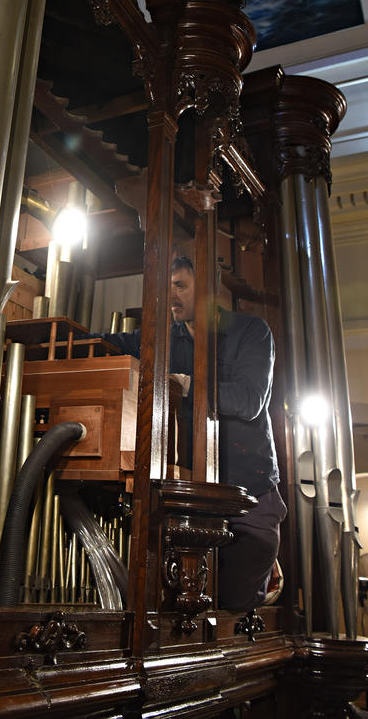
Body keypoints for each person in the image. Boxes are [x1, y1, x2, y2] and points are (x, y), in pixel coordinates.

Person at [106, 255, 286, 612]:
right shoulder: (164, 337)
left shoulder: (251, 332)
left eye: (180, 286)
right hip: (189, 495)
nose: (170, 295)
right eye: (167, 286)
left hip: (247, 494)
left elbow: (250, 399)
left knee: (235, 607)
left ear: (206, 288)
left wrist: (188, 384)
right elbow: (114, 343)